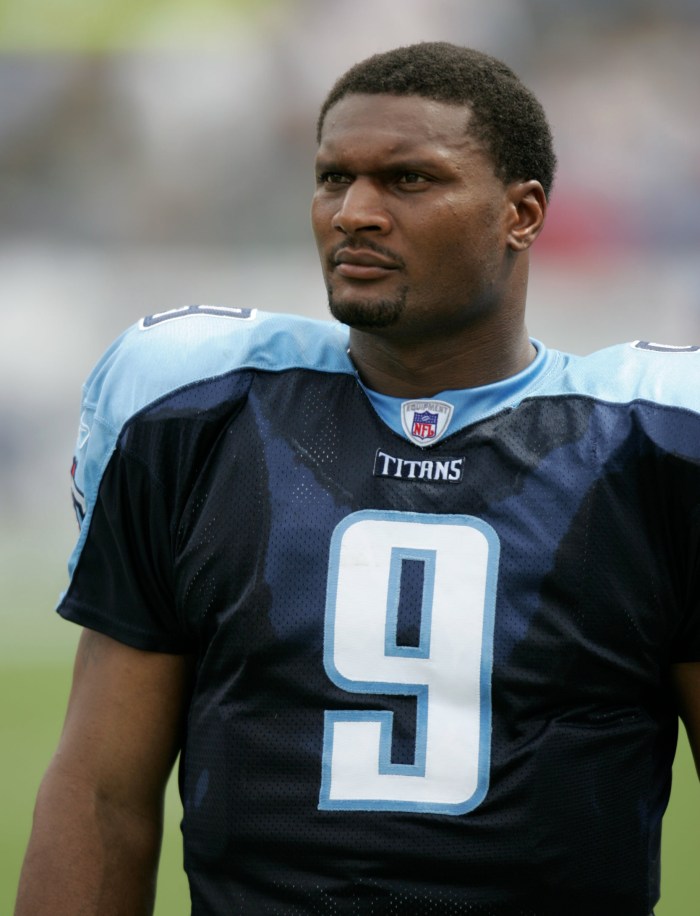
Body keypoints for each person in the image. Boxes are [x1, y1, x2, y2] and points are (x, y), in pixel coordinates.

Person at [14, 41, 700, 916]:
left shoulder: (657, 444)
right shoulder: (193, 415)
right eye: (334, 178)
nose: (356, 213)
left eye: (409, 180)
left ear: (521, 213)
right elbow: (101, 795)